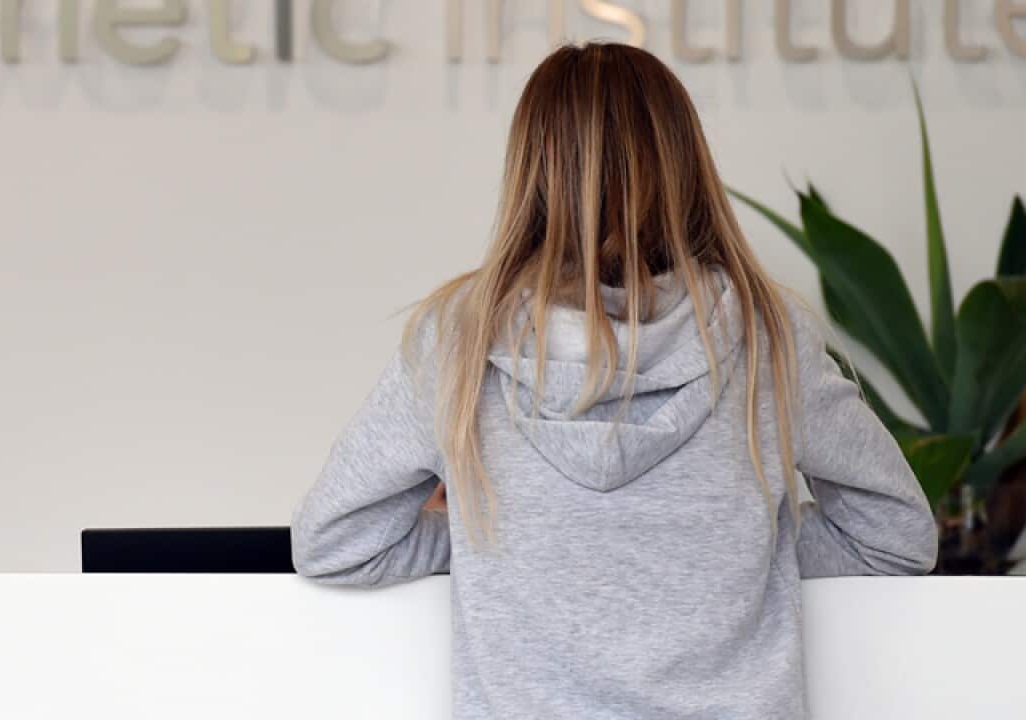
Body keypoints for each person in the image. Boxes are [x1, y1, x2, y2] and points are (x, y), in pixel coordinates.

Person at [289, 42, 937, 719]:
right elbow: (894, 534)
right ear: (689, 166)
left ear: (531, 176)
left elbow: (333, 540)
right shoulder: (769, 335)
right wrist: (738, 547)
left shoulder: (461, 338)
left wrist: (512, 545)